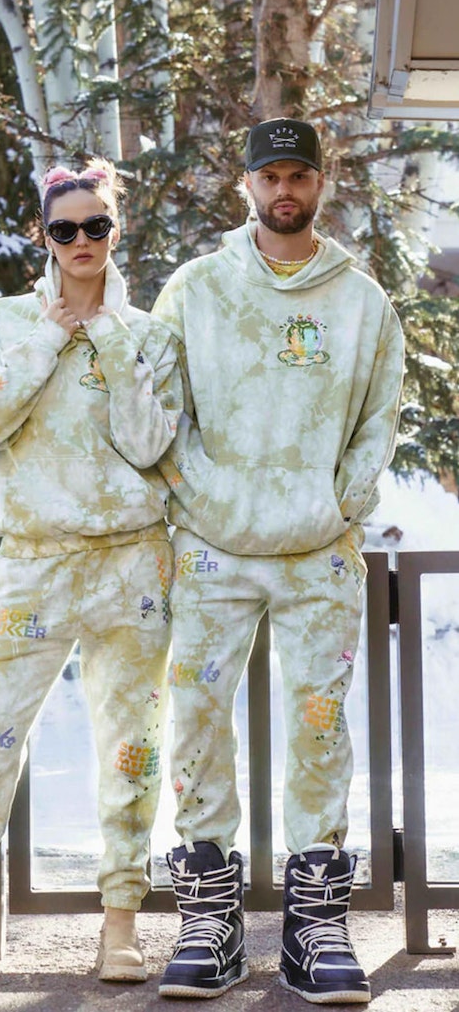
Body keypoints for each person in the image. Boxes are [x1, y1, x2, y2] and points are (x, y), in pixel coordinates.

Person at [0, 159, 183, 995]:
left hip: (133, 560)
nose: (81, 242)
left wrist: (99, 335)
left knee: (130, 750)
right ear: (43, 235)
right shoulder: (0, 323)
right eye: (64, 228)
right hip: (32, 562)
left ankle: (121, 922)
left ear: (115, 229)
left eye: (96, 225)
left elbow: (151, 445)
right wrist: (53, 336)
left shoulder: (148, 334)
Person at [152, 118, 405, 1004]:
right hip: (214, 551)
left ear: (321, 184)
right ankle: (210, 916)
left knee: (319, 724)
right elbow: (159, 405)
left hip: (319, 553)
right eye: (270, 176)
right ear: (246, 185)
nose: (284, 190)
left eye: (299, 174)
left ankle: (314, 919)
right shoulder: (195, 287)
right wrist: (201, 498)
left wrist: (343, 500)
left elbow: (379, 417)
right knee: (194, 716)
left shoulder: (362, 299)